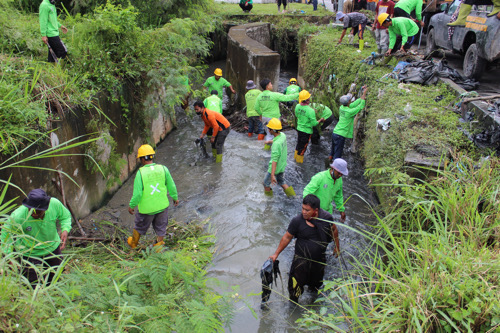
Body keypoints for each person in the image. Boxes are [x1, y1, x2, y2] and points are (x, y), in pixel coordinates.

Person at [269, 194, 340, 303]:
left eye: (307, 210)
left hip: (318, 262)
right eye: (302, 208)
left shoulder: (326, 218)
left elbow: (334, 230)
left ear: (316, 210)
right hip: (300, 262)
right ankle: (293, 311)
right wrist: (276, 254)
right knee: (294, 290)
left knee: (315, 287)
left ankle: (313, 306)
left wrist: (337, 246)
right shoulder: (297, 221)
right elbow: (287, 237)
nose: (304, 212)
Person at [1, 189, 72, 285]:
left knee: (55, 277)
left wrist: (65, 229)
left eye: (38, 211)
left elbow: (65, 216)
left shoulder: (54, 204)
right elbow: (6, 234)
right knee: (31, 284)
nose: (34, 213)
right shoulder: (18, 215)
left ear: (45, 208)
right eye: (31, 210)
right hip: (29, 254)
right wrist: (9, 256)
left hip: (52, 248)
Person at [128, 145, 179, 250]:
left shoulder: (140, 173)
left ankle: (133, 244)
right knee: (161, 227)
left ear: (142, 159)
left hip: (146, 210)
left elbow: (137, 194)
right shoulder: (163, 169)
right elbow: (172, 186)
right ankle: (158, 247)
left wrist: (132, 206)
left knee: (139, 226)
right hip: (162, 206)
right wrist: (175, 198)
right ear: (152, 156)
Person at [254, 78, 299, 150]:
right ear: (267, 86)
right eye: (271, 84)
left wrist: (261, 114)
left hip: (265, 118)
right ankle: (274, 151)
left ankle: (266, 150)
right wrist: (299, 94)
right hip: (274, 118)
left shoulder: (259, 96)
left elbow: (256, 107)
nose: (272, 85)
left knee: (268, 134)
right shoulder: (274, 95)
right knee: (276, 135)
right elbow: (286, 98)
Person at [330, 86, 367, 160]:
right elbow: (360, 107)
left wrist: (361, 97)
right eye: (350, 100)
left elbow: (352, 105)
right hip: (340, 136)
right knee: (337, 156)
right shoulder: (349, 112)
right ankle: (334, 169)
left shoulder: (342, 108)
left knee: (332, 152)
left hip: (335, 133)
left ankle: (329, 162)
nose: (351, 101)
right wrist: (363, 100)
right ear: (348, 102)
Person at [263, 118, 296, 197]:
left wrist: (272, 175)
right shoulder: (282, 135)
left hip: (275, 168)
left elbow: (274, 160)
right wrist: (269, 142)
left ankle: (269, 200)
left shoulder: (276, 145)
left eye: (269, 128)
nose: (268, 129)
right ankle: (293, 196)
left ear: (273, 130)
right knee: (281, 182)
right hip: (282, 166)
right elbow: (277, 141)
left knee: (265, 183)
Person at [294, 90, 324, 163]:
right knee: (302, 149)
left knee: (298, 145)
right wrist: (320, 120)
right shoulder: (311, 111)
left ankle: (295, 159)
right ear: (307, 99)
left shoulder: (297, 106)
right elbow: (314, 124)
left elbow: (297, 115)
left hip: (299, 129)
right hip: (306, 132)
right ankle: (298, 165)